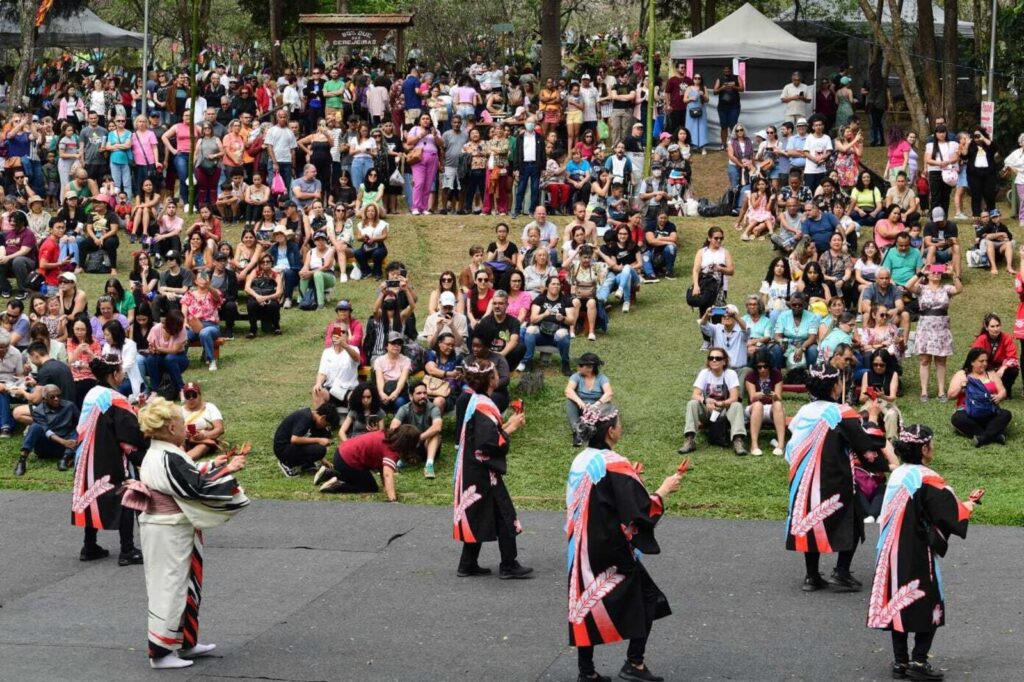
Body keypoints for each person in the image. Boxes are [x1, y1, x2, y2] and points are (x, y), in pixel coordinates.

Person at [567, 402, 685, 682]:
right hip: (610, 547)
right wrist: (663, 490)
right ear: (610, 431)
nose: (621, 428)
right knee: (648, 598)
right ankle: (635, 663)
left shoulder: (581, 460)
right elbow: (640, 510)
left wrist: (633, 480)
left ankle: (587, 672)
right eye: (619, 424)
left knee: (585, 603)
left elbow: (603, 497)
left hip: (580, 545)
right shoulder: (615, 463)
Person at [134, 396, 249, 670]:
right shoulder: (165, 455)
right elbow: (193, 487)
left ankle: (184, 642)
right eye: (181, 422)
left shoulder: (164, 452)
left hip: (170, 528)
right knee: (170, 587)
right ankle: (161, 652)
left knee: (184, 586)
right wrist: (228, 470)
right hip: (167, 530)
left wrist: (216, 466)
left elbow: (188, 477)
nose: (186, 426)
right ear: (171, 428)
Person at [867, 424, 983, 682]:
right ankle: (919, 661)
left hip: (889, 549)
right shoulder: (927, 477)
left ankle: (900, 662)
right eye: (931, 443)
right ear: (923, 448)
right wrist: (969, 505)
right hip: (917, 550)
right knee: (929, 602)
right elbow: (949, 513)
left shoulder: (897, 475)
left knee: (897, 602)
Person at [785, 362, 894, 592]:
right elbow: (864, 444)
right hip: (834, 475)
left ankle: (812, 575)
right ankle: (842, 572)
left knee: (810, 519)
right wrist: (873, 422)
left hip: (802, 475)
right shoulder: (841, 412)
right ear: (835, 386)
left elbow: (793, 438)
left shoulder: (804, 411)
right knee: (852, 519)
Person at [452, 358, 531, 579]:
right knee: (504, 513)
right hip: (483, 472)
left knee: (478, 513)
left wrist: (506, 427)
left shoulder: (476, 401)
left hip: (472, 469)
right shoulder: (485, 405)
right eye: (495, 373)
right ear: (490, 380)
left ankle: (467, 563)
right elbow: (488, 443)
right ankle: (509, 564)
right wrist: (511, 429)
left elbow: (485, 436)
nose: (499, 376)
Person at [71, 354, 148, 564]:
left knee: (91, 496)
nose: (123, 374)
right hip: (108, 457)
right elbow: (130, 432)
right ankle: (127, 550)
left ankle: (89, 546)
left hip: (85, 458)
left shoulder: (91, 394)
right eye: (121, 370)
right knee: (124, 497)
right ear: (114, 374)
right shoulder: (115, 399)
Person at [905, 264, 962, 400]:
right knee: (925, 360)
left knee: (941, 360)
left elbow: (959, 289)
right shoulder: (922, 289)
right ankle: (924, 391)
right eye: (933, 272)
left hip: (941, 327)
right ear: (928, 274)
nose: (936, 274)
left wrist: (953, 274)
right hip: (925, 326)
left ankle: (941, 391)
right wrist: (920, 273)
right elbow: (908, 286)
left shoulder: (946, 289)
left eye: (938, 272)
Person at [316, 425, 420, 498]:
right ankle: (336, 485)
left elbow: (382, 470)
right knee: (369, 487)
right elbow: (388, 474)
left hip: (341, 454)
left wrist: (385, 488)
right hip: (347, 461)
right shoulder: (391, 451)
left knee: (362, 479)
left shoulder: (385, 436)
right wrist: (392, 499)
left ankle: (329, 473)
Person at [679, 347, 748, 456]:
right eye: (711, 358)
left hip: (725, 410)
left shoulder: (730, 374)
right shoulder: (704, 373)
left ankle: (738, 441)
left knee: (737, 405)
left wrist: (721, 403)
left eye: (718, 358)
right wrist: (705, 401)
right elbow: (695, 395)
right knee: (692, 403)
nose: (714, 360)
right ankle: (690, 439)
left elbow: (734, 397)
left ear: (724, 361)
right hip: (708, 410)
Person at [947, 347, 1012, 447]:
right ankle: (994, 436)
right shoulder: (962, 374)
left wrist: (999, 396)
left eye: (986, 361)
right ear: (972, 362)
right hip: (968, 412)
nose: (985, 364)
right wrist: (962, 385)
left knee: (1006, 414)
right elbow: (950, 396)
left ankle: (983, 437)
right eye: (981, 361)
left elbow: (1003, 390)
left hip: (989, 411)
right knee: (957, 418)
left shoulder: (991, 373)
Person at [12, 383, 79, 477]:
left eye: (58, 396)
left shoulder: (70, 406)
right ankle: (22, 460)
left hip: (66, 446)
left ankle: (65, 459)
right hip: (46, 446)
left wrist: (71, 440)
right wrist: (64, 442)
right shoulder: (38, 411)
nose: (56, 399)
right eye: (52, 397)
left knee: (79, 429)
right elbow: (46, 431)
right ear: (44, 399)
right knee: (35, 427)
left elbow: (81, 423)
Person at [522, 276, 576, 375]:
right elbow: (533, 319)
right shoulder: (540, 299)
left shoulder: (566, 300)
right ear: (547, 286)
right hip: (541, 334)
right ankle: (528, 362)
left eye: (558, 284)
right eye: (553, 284)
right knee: (530, 330)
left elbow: (572, 321)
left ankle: (565, 364)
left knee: (563, 333)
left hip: (557, 335)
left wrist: (563, 318)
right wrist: (544, 315)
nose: (556, 286)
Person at [272, 402, 341, 478]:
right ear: (323, 417)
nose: (325, 427)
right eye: (326, 424)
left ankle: (306, 465)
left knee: (320, 448)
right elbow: (295, 439)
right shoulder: (306, 417)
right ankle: (287, 463)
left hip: (292, 447)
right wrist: (319, 440)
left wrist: (323, 460)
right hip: (283, 448)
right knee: (320, 449)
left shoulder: (314, 422)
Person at [390, 383, 443, 478]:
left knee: (436, 434)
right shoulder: (404, 409)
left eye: (424, 393)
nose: (423, 396)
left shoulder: (433, 408)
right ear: (411, 396)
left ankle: (429, 465)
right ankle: (401, 459)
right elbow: (393, 427)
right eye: (418, 393)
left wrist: (419, 438)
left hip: (428, 446)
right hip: (410, 447)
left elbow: (437, 426)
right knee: (397, 434)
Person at [564, 352, 613, 446]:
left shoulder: (602, 378)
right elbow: (568, 390)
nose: (578, 367)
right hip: (581, 407)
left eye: (581, 365)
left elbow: (609, 394)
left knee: (608, 404)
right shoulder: (576, 376)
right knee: (570, 402)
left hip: (597, 409)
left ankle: (591, 428)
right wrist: (580, 402)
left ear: (590, 368)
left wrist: (596, 404)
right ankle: (577, 430)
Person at [745, 350, 786, 456]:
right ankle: (754, 445)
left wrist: (774, 395)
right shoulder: (750, 376)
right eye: (759, 367)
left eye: (765, 366)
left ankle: (780, 444)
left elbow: (778, 397)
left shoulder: (776, 375)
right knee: (758, 405)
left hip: (771, 408)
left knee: (777, 404)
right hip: (754, 408)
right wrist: (761, 394)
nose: (762, 369)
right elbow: (752, 397)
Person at [181, 270, 221, 372]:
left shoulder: (213, 292)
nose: (203, 280)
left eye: (205, 277)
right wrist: (185, 322)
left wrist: (208, 286)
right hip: (193, 325)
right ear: (196, 281)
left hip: (210, 325)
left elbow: (217, 297)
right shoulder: (189, 294)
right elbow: (183, 311)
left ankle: (211, 360)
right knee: (184, 334)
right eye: (200, 278)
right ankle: (181, 361)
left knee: (204, 333)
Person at [143, 309, 189, 396]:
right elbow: (152, 347)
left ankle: (181, 389)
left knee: (170, 358)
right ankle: (154, 391)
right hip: (160, 357)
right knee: (151, 359)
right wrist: (152, 349)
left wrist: (159, 348)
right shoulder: (156, 329)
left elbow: (174, 350)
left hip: (178, 357)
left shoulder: (182, 329)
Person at [1, 210, 39, 300]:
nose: (12, 223)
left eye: (15, 221)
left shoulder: (28, 233)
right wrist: (3, 257)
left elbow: (24, 251)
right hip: (9, 260)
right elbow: (2, 247)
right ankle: (5, 287)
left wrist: (8, 257)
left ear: (22, 222)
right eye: (11, 220)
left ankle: (24, 290)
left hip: (27, 261)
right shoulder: (8, 233)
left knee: (18, 260)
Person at [244, 253, 284, 338]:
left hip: (269, 297)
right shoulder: (255, 272)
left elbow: (279, 292)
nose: (265, 263)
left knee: (273, 304)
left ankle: (276, 326)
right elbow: (247, 288)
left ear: (271, 263)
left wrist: (265, 298)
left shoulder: (276, 275)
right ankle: (253, 329)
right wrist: (257, 297)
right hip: (256, 297)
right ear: (260, 263)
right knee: (251, 304)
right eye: (262, 262)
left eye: (267, 261)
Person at [374, 331, 412, 412]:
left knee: (399, 402)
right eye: (393, 343)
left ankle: (398, 423)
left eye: (399, 343)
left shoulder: (406, 360)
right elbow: (379, 379)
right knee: (377, 401)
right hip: (384, 389)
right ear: (386, 346)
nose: (396, 346)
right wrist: (381, 393)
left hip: (400, 390)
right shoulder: (379, 360)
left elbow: (403, 379)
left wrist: (396, 393)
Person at [921, 207, 961, 277]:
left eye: (940, 220)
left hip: (945, 252)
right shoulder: (929, 226)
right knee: (932, 247)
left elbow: (955, 241)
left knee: (956, 247)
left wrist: (950, 242)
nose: (939, 222)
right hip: (932, 252)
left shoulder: (952, 225)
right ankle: (928, 274)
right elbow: (927, 243)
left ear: (945, 217)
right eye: (936, 221)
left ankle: (957, 275)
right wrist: (938, 244)